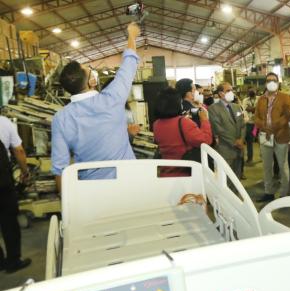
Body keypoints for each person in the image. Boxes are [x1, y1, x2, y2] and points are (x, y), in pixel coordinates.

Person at [51, 22, 141, 186]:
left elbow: (60, 169)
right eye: (90, 69)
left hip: (91, 189)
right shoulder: (112, 98)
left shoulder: (61, 118)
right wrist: (132, 36)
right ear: (92, 81)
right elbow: (129, 64)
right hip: (129, 181)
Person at [153, 88, 212, 176]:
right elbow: (206, 140)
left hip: (166, 171)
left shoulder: (156, 124)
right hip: (185, 173)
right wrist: (204, 120)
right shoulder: (184, 123)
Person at [0, 115, 32, 273]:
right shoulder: (4, 122)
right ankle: (13, 261)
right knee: (9, 221)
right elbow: (18, 150)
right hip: (2, 182)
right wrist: (25, 172)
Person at [254, 73, 290, 202]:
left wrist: (272, 129)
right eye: (269, 80)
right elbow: (256, 117)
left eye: (274, 80)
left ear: (278, 83)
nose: (271, 82)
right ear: (265, 83)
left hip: (281, 136)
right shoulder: (261, 99)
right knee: (267, 166)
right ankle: (268, 192)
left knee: (283, 166)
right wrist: (265, 128)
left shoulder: (286, 97)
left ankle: (284, 193)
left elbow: (287, 116)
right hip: (265, 137)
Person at [208, 82, 246, 178]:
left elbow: (242, 125)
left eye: (231, 90)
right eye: (228, 91)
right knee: (225, 179)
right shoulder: (213, 109)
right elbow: (218, 129)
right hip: (226, 149)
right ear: (221, 93)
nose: (231, 93)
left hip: (239, 149)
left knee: (236, 178)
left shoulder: (236, 107)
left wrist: (241, 140)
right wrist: (234, 142)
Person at [241, 89, 257, 164]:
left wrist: (252, 109)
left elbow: (260, 109)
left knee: (254, 141)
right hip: (248, 124)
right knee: (248, 141)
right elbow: (245, 109)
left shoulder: (259, 99)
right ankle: (248, 158)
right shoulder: (245, 100)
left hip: (257, 124)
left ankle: (251, 158)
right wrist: (254, 109)